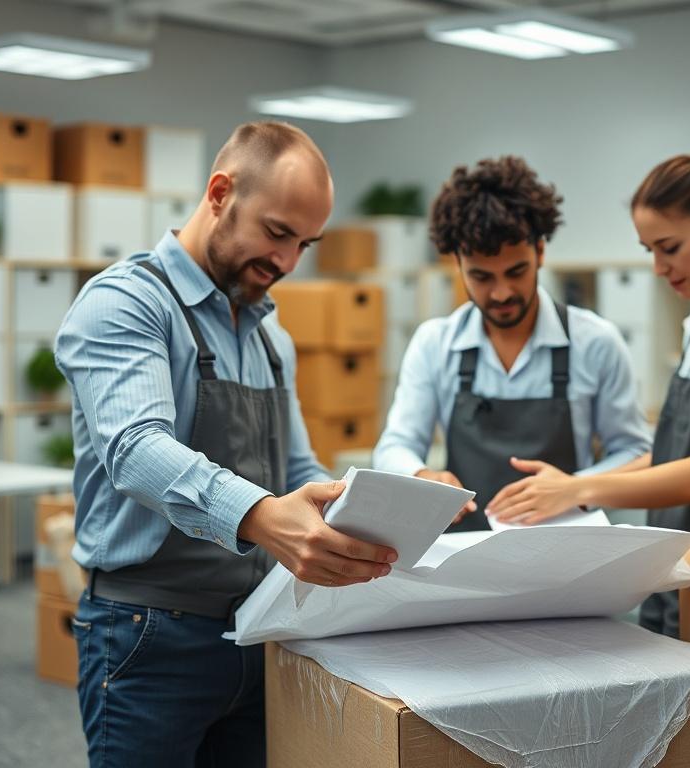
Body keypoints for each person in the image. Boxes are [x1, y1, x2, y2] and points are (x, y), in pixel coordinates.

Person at [55, 121, 398, 768]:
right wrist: (264, 517)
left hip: (260, 633)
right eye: (277, 233)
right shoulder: (126, 305)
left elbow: (295, 468)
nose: (290, 262)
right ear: (219, 193)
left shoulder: (271, 339)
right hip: (147, 635)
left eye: (305, 243)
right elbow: (134, 446)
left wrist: (375, 510)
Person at [487, 126, 690, 637]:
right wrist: (574, 491)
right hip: (684, 558)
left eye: (669, 247)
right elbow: (674, 451)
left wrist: (580, 487)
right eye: (649, 250)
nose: (659, 268)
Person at [372, 156, 651, 531]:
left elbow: (636, 451)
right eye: (482, 277)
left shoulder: (596, 342)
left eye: (516, 272)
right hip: (461, 554)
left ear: (540, 251)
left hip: (566, 553)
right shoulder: (435, 343)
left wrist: (574, 488)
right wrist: (421, 474)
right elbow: (394, 446)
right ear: (457, 263)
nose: (501, 293)